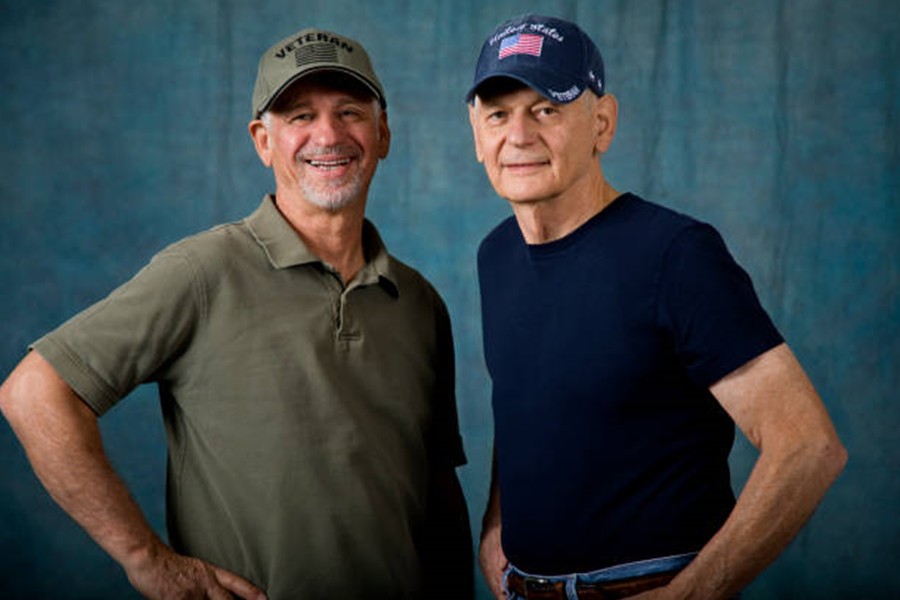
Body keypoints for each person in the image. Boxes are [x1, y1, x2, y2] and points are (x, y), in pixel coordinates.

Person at [0, 27, 473, 599]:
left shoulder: (418, 302)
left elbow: (438, 495)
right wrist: (147, 560)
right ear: (262, 141)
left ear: (383, 133)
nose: (328, 135)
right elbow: (33, 392)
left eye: (350, 112)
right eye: (300, 116)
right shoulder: (204, 273)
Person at [465, 14, 847, 600]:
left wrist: (688, 595)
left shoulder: (676, 255)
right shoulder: (496, 255)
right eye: (498, 114)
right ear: (476, 133)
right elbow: (527, 405)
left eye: (545, 109)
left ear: (601, 123)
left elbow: (808, 448)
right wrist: (497, 525)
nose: (518, 135)